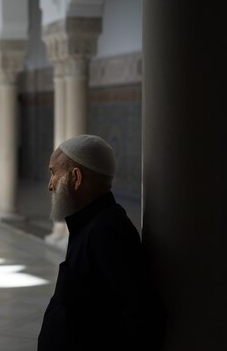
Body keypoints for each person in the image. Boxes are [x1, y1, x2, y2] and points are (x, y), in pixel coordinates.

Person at [38, 134, 165, 351]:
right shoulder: (90, 223)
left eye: (53, 173)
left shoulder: (105, 232)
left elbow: (140, 314)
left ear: (76, 177)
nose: (50, 185)